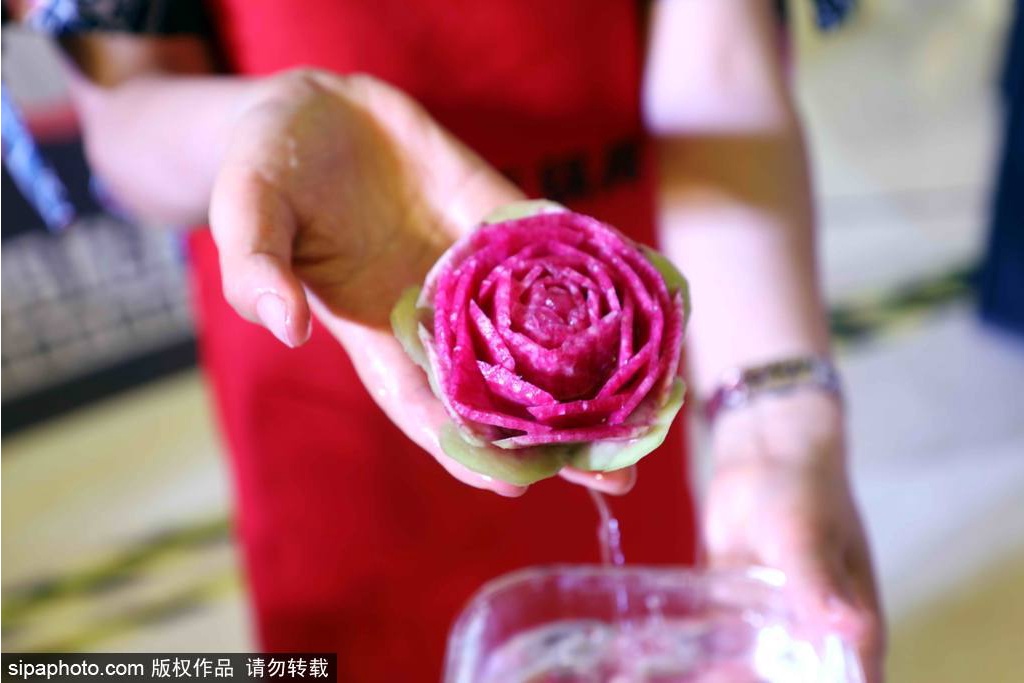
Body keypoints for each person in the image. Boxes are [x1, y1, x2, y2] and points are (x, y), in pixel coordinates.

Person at [20, 0, 882, 679]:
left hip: (618, 321)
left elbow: (719, 77)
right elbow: (124, 114)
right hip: (335, 315)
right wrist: (259, 128)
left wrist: (774, 428)